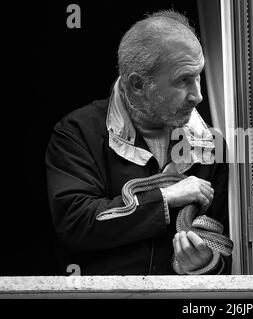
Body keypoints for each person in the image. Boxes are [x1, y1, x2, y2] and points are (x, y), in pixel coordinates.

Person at [45, 10, 231, 275]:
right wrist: (165, 199)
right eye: (183, 80)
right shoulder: (76, 133)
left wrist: (204, 264)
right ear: (137, 85)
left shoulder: (211, 145)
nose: (198, 96)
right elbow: (76, 223)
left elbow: (223, 242)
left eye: (198, 75)